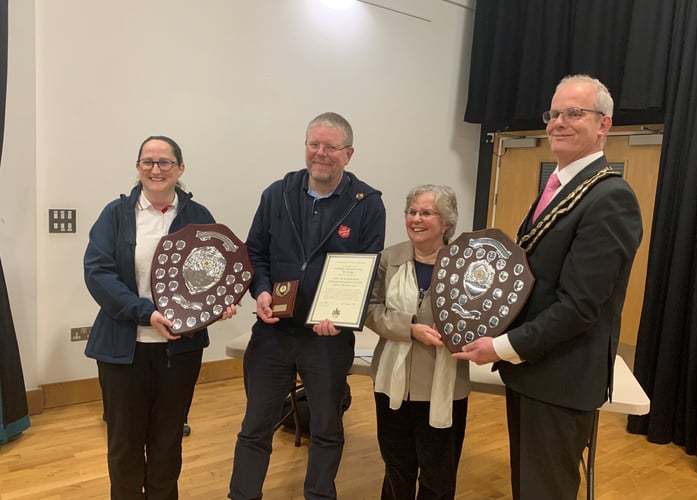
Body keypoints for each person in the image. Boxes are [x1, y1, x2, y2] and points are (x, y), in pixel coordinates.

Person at [454, 74, 643, 499]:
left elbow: (579, 307)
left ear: (604, 124)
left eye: (574, 113)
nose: (558, 122)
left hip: (562, 378)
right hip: (535, 371)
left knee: (546, 491)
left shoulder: (610, 197)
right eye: (554, 113)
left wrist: (500, 347)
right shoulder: (561, 188)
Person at [229, 112, 386, 500]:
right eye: (313, 144)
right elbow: (256, 255)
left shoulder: (368, 204)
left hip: (327, 340)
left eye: (330, 147)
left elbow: (367, 272)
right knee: (255, 427)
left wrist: (343, 318)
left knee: (327, 430)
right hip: (273, 334)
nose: (320, 153)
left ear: (348, 154)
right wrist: (261, 290)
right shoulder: (277, 193)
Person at [83, 135, 237, 499]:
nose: (156, 169)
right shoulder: (115, 214)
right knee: (124, 444)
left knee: (168, 441)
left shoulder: (199, 218)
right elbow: (98, 273)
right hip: (124, 349)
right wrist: (146, 313)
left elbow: (214, 274)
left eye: (164, 162)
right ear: (138, 168)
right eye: (147, 162)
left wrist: (220, 303)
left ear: (180, 169)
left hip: (179, 352)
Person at [365, 184, 470, 499]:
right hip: (391, 383)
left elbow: (484, 313)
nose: (416, 219)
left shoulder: (465, 263)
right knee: (397, 466)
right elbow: (370, 308)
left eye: (426, 212)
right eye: (412, 212)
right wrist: (410, 328)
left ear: (447, 223)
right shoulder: (389, 257)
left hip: (444, 386)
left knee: (439, 473)